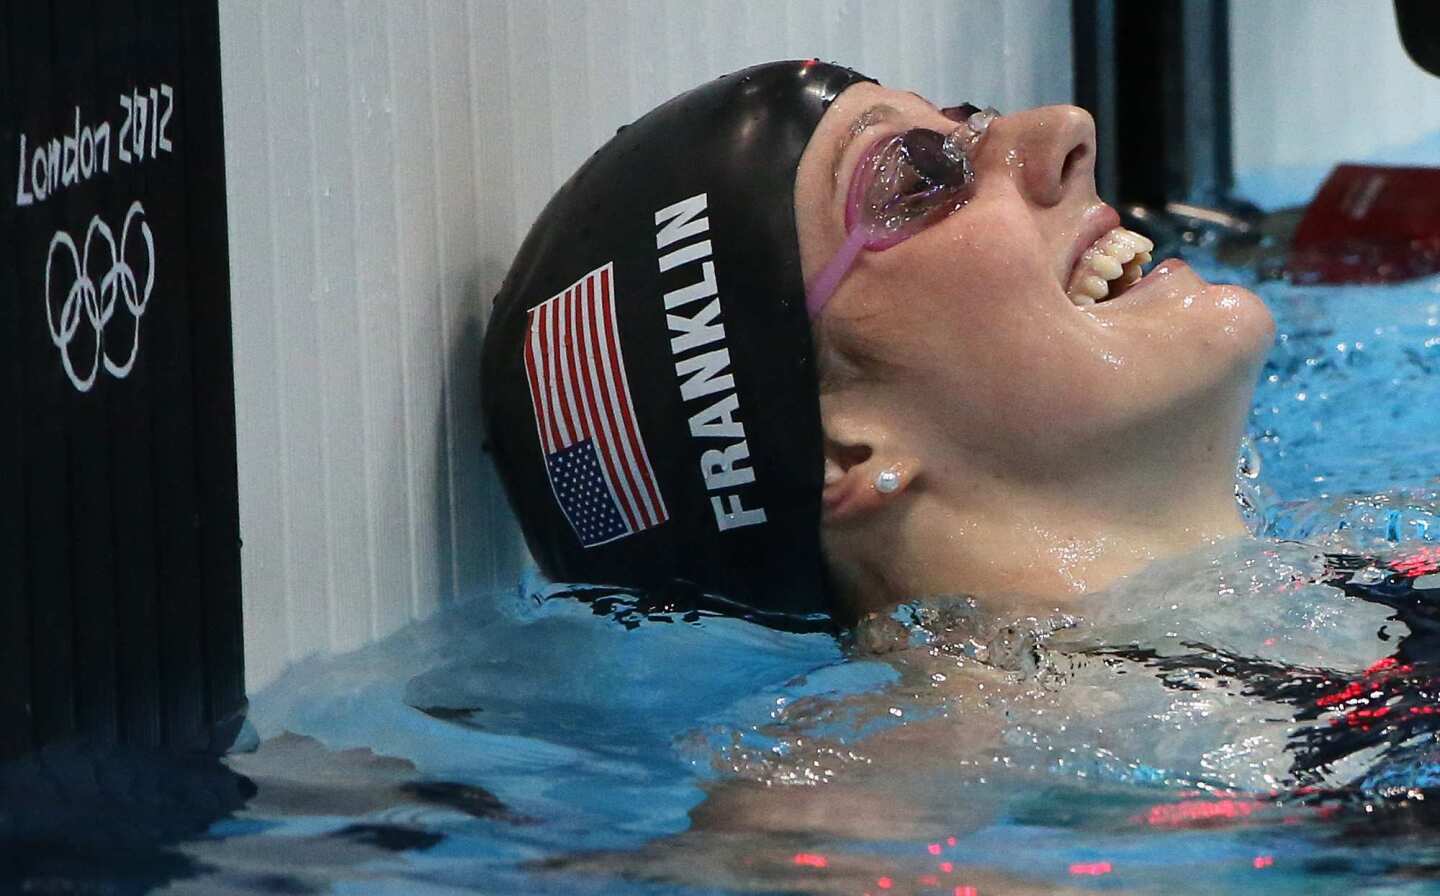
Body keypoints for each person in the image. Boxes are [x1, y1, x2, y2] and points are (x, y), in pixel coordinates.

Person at [481, 60, 1274, 628]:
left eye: (969, 123)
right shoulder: (906, 812)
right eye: (921, 177)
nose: (1064, 129)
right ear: (843, 453)